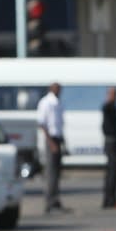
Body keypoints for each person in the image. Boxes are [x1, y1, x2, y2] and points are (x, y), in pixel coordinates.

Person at [37, 82, 69, 214]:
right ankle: (49, 202)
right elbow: (42, 123)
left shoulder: (57, 102)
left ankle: (56, 200)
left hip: (57, 138)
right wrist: (51, 143)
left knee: (57, 171)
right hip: (51, 139)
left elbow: (60, 124)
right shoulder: (46, 102)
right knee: (51, 171)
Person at [102, 86, 116, 209]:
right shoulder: (108, 107)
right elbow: (108, 128)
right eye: (113, 94)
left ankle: (110, 199)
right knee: (112, 173)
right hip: (111, 142)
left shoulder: (113, 107)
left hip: (113, 141)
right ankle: (110, 200)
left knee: (113, 172)